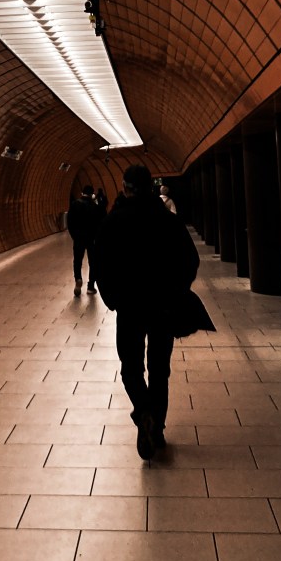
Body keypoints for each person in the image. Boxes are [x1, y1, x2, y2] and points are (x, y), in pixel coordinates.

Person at [92, 163, 200, 461]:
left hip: (129, 307)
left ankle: (143, 413)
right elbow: (190, 260)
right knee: (159, 370)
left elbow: (100, 263)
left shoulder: (113, 222)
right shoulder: (167, 220)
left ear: (125, 188)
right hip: (163, 307)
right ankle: (158, 428)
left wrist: (113, 298)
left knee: (130, 367)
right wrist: (177, 290)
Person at [65, 184, 104, 296]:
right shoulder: (95, 207)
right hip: (92, 239)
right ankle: (91, 286)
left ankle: (78, 278)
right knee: (93, 262)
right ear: (92, 194)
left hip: (79, 238)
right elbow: (100, 224)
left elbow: (70, 222)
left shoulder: (75, 204)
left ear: (82, 193)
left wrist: (74, 236)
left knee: (77, 261)